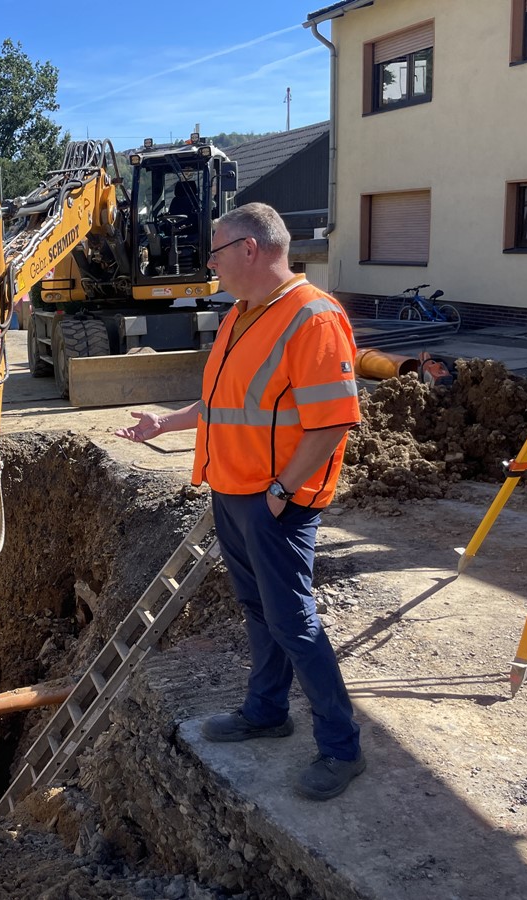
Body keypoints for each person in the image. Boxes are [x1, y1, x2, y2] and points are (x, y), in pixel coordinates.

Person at [114, 202, 365, 801]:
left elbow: (334, 422)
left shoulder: (313, 319)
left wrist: (281, 491)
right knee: (258, 611)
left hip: (274, 502)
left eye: (217, 252)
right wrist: (165, 423)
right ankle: (266, 711)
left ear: (250, 249)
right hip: (232, 491)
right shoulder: (242, 315)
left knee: (293, 622)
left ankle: (342, 747)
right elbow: (222, 403)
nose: (211, 265)